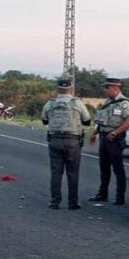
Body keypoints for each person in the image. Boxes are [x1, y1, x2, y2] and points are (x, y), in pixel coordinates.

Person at [41, 76, 91, 210]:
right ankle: (72, 202)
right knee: (73, 173)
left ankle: (54, 202)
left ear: (58, 89)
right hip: (73, 141)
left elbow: (44, 120)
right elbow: (87, 120)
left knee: (56, 173)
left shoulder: (50, 103)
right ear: (70, 89)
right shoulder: (77, 103)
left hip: (55, 140)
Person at [89, 77, 129, 205]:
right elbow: (102, 120)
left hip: (115, 139)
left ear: (115, 88)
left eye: (107, 88)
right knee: (104, 168)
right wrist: (95, 133)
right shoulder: (108, 102)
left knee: (118, 169)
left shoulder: (123, 103)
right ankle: (102, 194)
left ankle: (120, 197)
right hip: (103, 137)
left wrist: (115, 132)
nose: (105, 90)